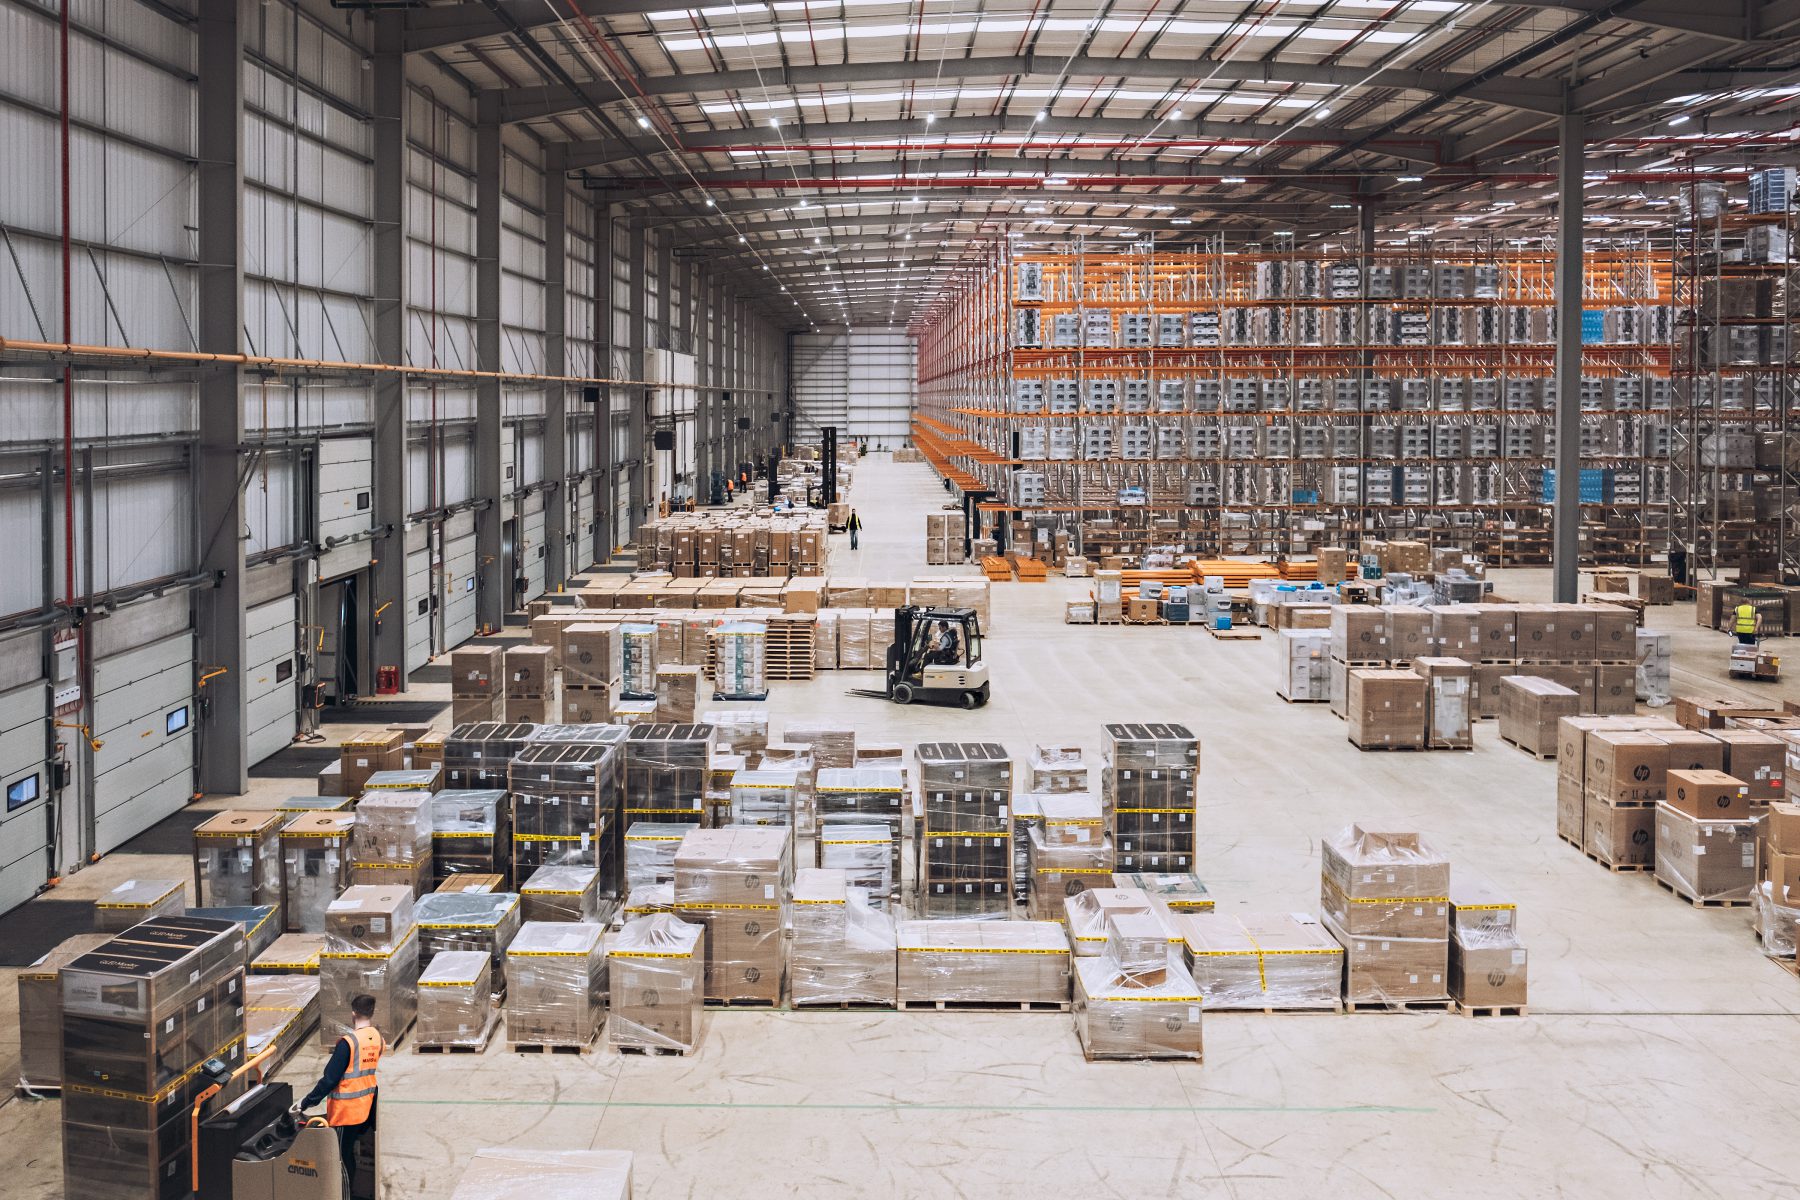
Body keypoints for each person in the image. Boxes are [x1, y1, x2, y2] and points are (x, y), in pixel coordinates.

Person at [299, 992, 384, 1188]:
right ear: (372, 1012)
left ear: (353, 1013)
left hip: (346, 1112)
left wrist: (306, 1102)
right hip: (366, 1108)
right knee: (348, 1153)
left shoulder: (348, 1043)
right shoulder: (377, 1038)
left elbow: (329, 1079)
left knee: (341, 1159)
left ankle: (345, 1194)